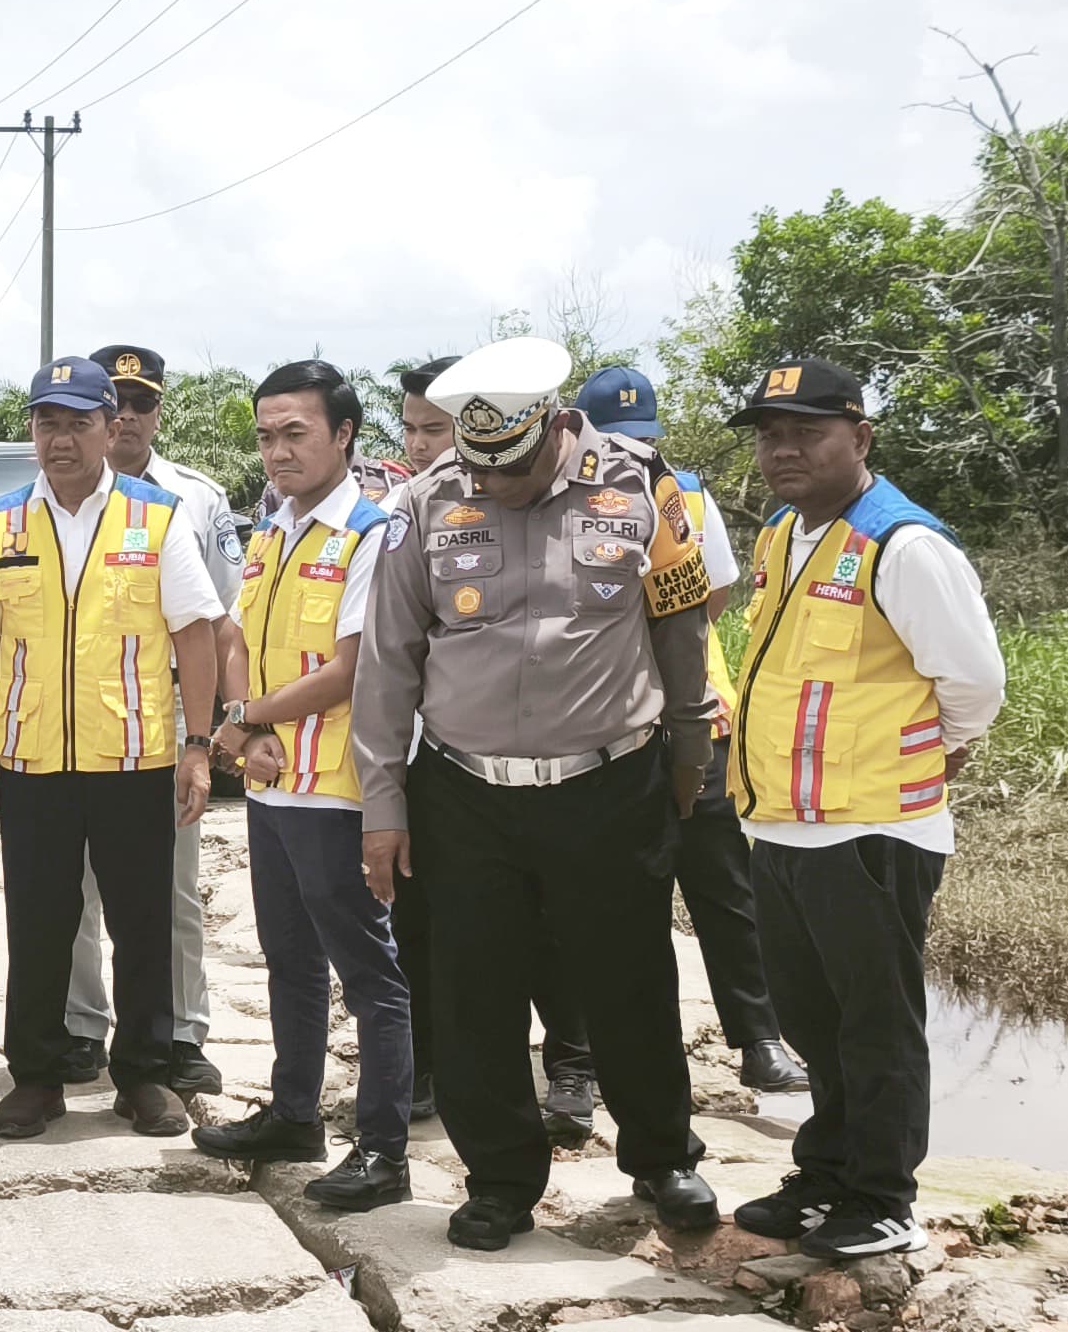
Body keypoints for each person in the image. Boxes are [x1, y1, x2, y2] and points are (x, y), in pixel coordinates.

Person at [352, 336, 726, 1254]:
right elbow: (386, 663)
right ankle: (502, 1181)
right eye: (476, 466)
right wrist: (384, 806)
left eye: (511, 465)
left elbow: (681, 629)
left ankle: (661, 1157)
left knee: (629, 975)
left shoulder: (646, 488)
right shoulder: (424, 505)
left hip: (611, 780)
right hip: (466, 790)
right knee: (476, 989)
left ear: (557, 426)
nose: (493, 485)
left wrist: (689, 756)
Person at [722, 355, 1007, 1264]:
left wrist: (933, 752)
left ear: (861, 437)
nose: (784, 451)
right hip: (779, 824)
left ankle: (884, 1195)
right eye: (770, 434)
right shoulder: (780, 534)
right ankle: (828, 1171)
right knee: (813, 1021)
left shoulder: (904, 545)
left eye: (808, 431)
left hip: (872, 829)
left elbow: (975, 684)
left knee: (875, 1023)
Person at [0, 355, 225, 1141]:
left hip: (135, 761)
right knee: (38, 922)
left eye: (79, 423)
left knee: (143, 924)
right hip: (31, 763)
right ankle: (35, 1077)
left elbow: (196, 636)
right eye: (48, 422)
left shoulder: (158, 517)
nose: (61, 439)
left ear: (112, 429)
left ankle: (142, 1075)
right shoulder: (2, 522)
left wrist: (199, 745)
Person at [194, 361, 419, 1209]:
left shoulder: (371, 535)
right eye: (266, 435)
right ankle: (294, 1115)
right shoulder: (271, 533)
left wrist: (248, 719)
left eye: (296, 433)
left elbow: (354, 671)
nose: (278, 451)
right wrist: (246, 728)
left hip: (339, 788)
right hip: (273, 786)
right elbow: (239, 641)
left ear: (345, 436)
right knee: (288, 962)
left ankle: (384, 1151)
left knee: (369, 975)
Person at [577, 363, 811, 1095]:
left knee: (723, 887)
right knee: (612, 903)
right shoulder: (565, 504)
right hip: (603, 731)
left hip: (698, 721)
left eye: (643, 439)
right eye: (618, 441)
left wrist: (662, 646)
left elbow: (716, 590)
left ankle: (760, 1037)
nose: (635, 455)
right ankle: (608, 1053)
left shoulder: (690, 496)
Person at [385, 356, 596, 1138]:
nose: (422, 445)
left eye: (432, 429)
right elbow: (387, 655)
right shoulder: (409, 509)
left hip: (557, 767)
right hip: (435, 767)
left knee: (553, 933)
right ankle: (439, 1075)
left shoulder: (597, 492)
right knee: (442, 938)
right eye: (411, 428)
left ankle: (572, 1066)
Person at [60, 342, 247, 1095]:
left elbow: (225, 620)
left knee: (171, 886)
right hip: (76, 712)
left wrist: (216, 728)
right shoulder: (55, 491)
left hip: (168, 710)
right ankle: (79, 1028)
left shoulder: (195, 499)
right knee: (74, 885)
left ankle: (179, 1032)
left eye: (143, 404)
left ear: (157, 411)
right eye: (117, 404)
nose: (129, 418)